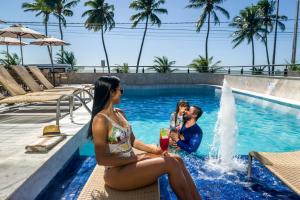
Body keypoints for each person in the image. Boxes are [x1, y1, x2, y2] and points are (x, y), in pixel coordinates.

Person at [89, 76, 201, 200]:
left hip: (129, 164)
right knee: (170, 164)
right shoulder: (100, 120)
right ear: (111, 92)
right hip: (116, 173)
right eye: (120, 90)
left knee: (177, 158)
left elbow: (133, 141)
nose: (121, 93)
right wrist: (138, 157)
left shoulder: (119, 113)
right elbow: (102, 159)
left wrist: (154, 150)